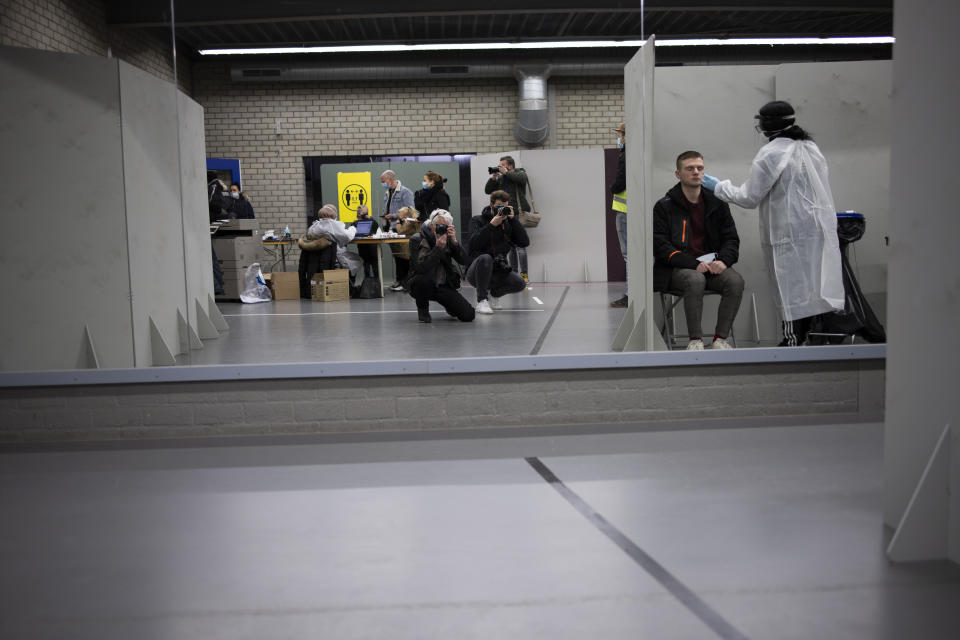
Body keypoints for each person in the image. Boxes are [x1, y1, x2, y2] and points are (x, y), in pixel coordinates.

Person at [702, 101, 844, 346]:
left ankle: (792, 340)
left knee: (790, 289)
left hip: (787, 234)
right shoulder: (811, 148)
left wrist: (720, 187)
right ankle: (817, 339)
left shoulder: (771, 153)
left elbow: (749, 197)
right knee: (814, 287)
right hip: (817, 231)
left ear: (767, 127)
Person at [654, 151, 745, 350]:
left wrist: (723, 261)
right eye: (690, 168)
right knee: (695, 279)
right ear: (678, 174)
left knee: (735, 281)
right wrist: (694, 264)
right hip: (677, 269)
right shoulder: (664, 206)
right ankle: (695, 341)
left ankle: (720, 339)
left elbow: (731, 239)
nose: (696, 172)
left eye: (700, 168)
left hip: (711, 266)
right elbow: (662, 248)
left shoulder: (717, 203)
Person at [407, 209, 474, 324]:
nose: (441, 229)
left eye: (446, 227)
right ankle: (423, 309)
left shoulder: (447, 238)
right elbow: (420, 267)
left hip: (442, 284)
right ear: (432, 225)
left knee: (468, 315)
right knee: (423, 279)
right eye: (439, 226)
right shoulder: (417, 239)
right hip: (422, 284)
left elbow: (464, 261)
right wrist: (438, 248)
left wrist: (455, 243)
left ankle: (449, 305)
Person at [466, 190, 529, 314]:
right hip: (476, 272)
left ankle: (493, 295)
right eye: (499, 206)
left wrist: (513, 220)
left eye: (505, 207)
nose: (502, 210)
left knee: (520, 283)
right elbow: (473, 244)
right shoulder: (477, 220)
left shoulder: (508, 224)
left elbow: (524, 242)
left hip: (499, 270)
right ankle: (481, 301)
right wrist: (491, 225)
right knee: (486, 257)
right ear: (491, 205)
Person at [484, 155, 531, 282]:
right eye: (499, 165)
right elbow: (488, 190)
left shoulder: (519, 172)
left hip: (516, 213)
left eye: (502, 165)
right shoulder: (501, 178)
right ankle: (514, 273)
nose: (500, 167)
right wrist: (494, 178)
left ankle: (524, 275)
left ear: (510, 165)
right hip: (505, 215)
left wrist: (507, 172)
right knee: (511, 246)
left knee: (521, 246)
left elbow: (522, 179)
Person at [297, 204, 357, 298]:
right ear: (333, 215)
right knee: (356, 260)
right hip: (332, 257)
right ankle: (350, 287)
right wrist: (353, 228)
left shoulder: (313, 226)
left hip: (315, 260)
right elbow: (347, 237)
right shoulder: (332, 225)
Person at [379, 170, 415, 290]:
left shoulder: (405, 192)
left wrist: (394, 216)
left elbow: (410, 211)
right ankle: (400, 281)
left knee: (404, 256)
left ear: (390, 179)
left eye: (383, 181)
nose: (382, 183)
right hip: (390, 228)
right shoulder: (387, 193)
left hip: (401, 229)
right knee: (397, 256)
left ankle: (406, 282)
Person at [609, 122, 629, 307]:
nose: (619, 138)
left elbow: (621, 181)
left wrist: (612, 188)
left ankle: (631, 294)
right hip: (631, 211)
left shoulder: (626, 156)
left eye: (621, 135)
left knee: (628, 255)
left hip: (625, 212)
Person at [388, 205, 421, 292]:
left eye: (400, 215)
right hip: (405, 246)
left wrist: (398, 222)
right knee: (402, 264)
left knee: (405, 265)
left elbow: (400, 231)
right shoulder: (409, 221)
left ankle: (405, 284)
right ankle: (403, 283)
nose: (398, 217)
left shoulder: (409, 222)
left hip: (406, 247)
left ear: (405, 215)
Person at [352, 204, 380, 280]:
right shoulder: (356, 223)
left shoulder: (369, 221)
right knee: (370, 266)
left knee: (371, 265)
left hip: (368, 247)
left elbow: (376, 228)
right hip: (367, 247)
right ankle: (372, 284)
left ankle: (372, 283)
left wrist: (371, 219)